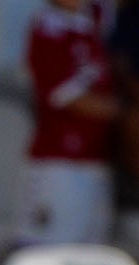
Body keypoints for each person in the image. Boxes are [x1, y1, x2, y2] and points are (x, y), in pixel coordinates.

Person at [26, 0, 121, 245]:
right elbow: (67, 97)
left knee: (92, 248)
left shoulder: (94, 16)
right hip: (60, 165)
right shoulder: (47, 30)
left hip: (96, 159)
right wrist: (124, 111)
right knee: (51, 250)